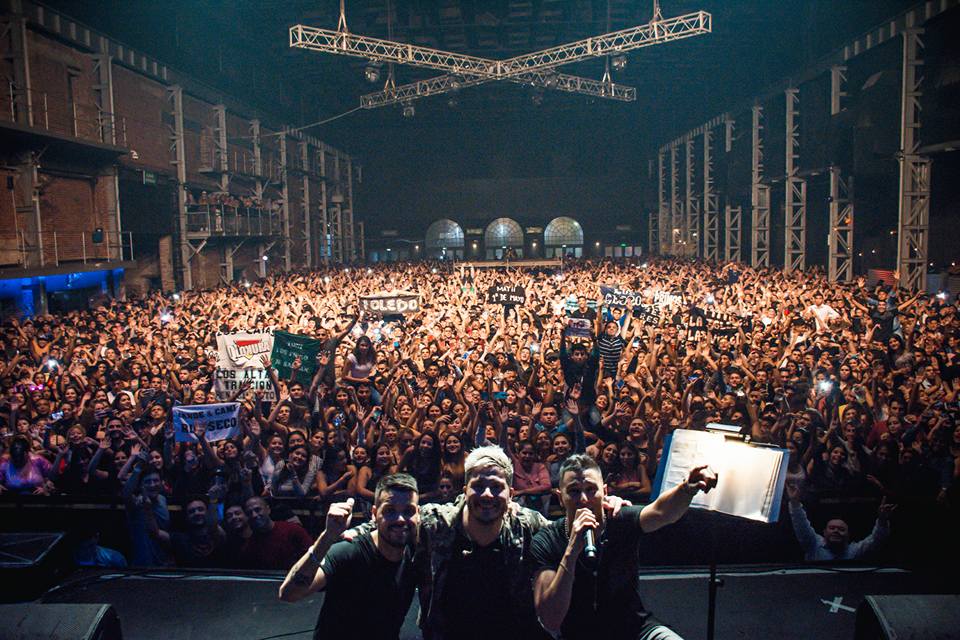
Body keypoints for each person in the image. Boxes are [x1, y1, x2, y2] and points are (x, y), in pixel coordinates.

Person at [532, 454, 718, 639]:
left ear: (605, 491)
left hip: (634, 629)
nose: (584, 499)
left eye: (591, 489)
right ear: (560, 497)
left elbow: (661, 512)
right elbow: (550, 619)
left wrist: (686, 488)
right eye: (573, 491)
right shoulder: (547, 540)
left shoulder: (619, 518)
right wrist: (572, 550)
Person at [279, 473, 420, 640]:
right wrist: (327, 537)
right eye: (389, 511)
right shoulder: (349, 551)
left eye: (408, 511)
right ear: (374, 514)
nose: (400, 519)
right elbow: (289, 593)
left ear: (418, 514)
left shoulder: (416, 555)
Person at [786, 482, 895, 561]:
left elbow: (876, 540)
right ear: (824, 532)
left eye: (841, 529)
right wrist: (795, 503)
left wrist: (882, 520)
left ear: (848, 535)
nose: (836, 531)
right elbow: (801, 524)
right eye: (832, 528)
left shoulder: (855, 551)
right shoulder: (813, 544)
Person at [239, 496, 313, 570]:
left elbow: (314, 555)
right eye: (249, 513)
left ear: (268, 510)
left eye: (257, 510)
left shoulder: (292, 530)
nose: (254, 515)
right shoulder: (250, 545)